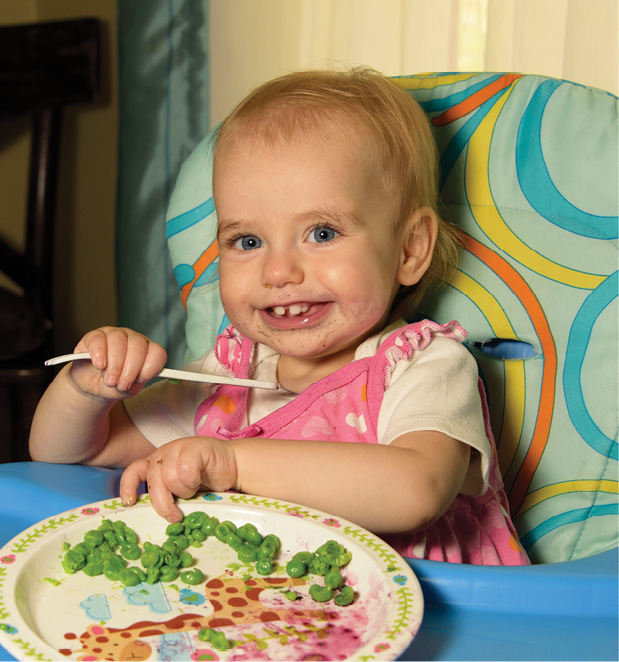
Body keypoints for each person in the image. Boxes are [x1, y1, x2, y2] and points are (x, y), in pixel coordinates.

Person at [30, 67, 529, 565]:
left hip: (444, 621)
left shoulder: (425, 366)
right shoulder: (228, 377)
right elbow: (70, 457)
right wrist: (85, 389)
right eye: (248, 241)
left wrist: (228, 462)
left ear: (408, 249)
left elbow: (415, 489)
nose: (279, 271)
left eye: (322, 233)